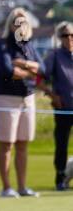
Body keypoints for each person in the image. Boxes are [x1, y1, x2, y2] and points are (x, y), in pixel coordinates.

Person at [0, 8, 42, 198]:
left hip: (27, 98)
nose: (20, 26)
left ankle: (22, 187)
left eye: (24, 23)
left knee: (22, 144)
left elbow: (41, 69)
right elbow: (7, 70)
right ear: (10, 25)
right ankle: (7, 187)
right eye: (16, 22)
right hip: (6, 97)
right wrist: (31, 71)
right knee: (7, 144)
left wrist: (23, 64)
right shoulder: (1, 44)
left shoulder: (29, 46)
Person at [43, 20, 73, 191]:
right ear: (60, 38)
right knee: (61, 146)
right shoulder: (54, 55)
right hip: (63, 109)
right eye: (65, 35)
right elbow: (40, 78)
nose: (69, 38)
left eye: (71, 35)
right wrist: (53, 95)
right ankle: (60, 178)